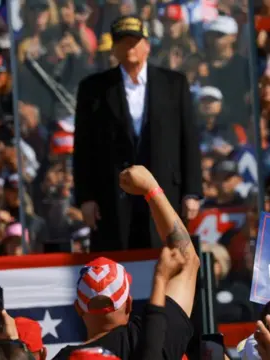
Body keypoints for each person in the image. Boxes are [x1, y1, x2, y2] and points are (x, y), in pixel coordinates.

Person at [73, 15, 202, 252]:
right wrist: (85, 197)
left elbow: (189, 139)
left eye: (134, 41)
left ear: (147, 45)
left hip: (164, 191)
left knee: (166, 260)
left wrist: (192, 191)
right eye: (122, 42)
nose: (129, 47)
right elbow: (83, 147)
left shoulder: (173, 84)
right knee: (117, 266)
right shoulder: (94, 89)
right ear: (113, 48)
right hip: (111, 195)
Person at [52, 165, 199, 360]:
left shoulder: (64, 358)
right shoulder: (149, 339)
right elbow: (186, 258)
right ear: (129, 304)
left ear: (78, 309)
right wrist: (151, 189)